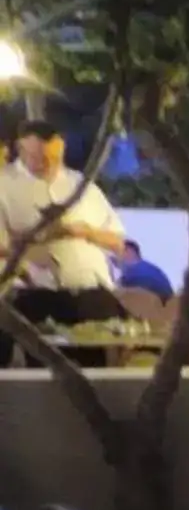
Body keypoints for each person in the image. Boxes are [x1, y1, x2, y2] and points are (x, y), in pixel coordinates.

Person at [0, 122, 133, 347]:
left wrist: (82, 231)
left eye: (54, 157)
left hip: (92, 294)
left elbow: (118, 242)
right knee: (45, 373)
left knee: (95, 371)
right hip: (37, 297)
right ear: (20, 150)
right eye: (39, 157)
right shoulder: (5, 185)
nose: (48, 164)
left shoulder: (81, 184)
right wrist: (36, 243)